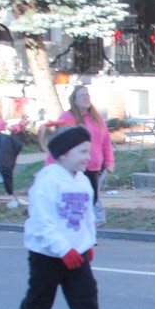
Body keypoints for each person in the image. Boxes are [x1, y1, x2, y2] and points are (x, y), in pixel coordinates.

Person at [10, 126, 118, 309]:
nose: (88, 157)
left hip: (76, 253)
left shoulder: (82, 181)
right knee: (40, 299)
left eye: (89, 151)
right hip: (47, 255)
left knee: (86, 295)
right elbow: (42, 222)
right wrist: (62, 249)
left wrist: (87, 242)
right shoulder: (47, 181)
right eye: (82, 152)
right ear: (63, 154)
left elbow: (87, 217)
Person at [50, 86, 114, 226]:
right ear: (74, 99)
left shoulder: (96, 119)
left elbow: (106, 142)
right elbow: (57, 142)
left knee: (92, 198)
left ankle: (88, 229)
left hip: (96, 166)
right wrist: (50, 165)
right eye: (82, 95)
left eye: (87, 95)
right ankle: (81, 228)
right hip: (74, 167)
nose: (86, 98)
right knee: (78, 200)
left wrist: (109, 161)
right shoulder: (67, 118)